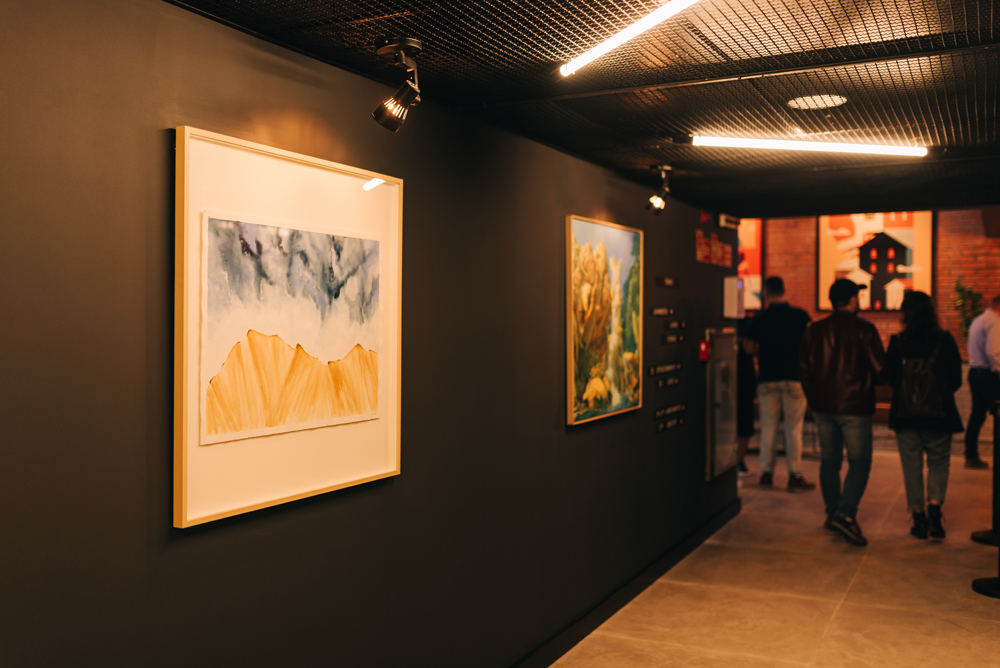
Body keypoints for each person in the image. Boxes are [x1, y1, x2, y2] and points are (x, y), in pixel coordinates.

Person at [800, 279, 887, 546]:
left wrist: (814, 399)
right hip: (854, 406)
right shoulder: (864, 329)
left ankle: (832, 514)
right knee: (859, 462)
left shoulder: (814, 330)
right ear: (851, 300)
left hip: (823, 406)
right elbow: (880, 370)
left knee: (830, 460)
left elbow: (804, 370)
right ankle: (846, 514)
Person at [886, 292, 963, 540]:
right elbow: (956, 380)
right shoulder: (945, 340)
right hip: (939, 415)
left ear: (905, 313)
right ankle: (935, 515)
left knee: (912, 466)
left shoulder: (897, 342)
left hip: (906, 415)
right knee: (939, 463)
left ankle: (918, 519)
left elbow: (891, 379)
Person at [745, 276, 815, 492]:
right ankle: (795, 475)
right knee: (793, 429)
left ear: (766, 293)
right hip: (794, 378)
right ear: (784, 290)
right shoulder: (800, 315)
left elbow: (748, 348)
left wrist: (764, 350)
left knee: (768, 428)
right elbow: (810, 344)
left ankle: (766, 474)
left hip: (767, 377)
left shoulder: (759, 319)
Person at [965, 293, 1000, 470]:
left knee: (977, 416)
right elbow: (995, 353)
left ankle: (971, 456)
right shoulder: (995, 322)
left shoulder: (978, 320)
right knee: (998, 415)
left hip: (975, 372)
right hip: (988, 375)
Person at [736, 314, 757, 475]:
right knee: (744, 422)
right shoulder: (750, 324)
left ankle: (737, 461)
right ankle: (739, 461)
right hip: (745, 379)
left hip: (739, 378)